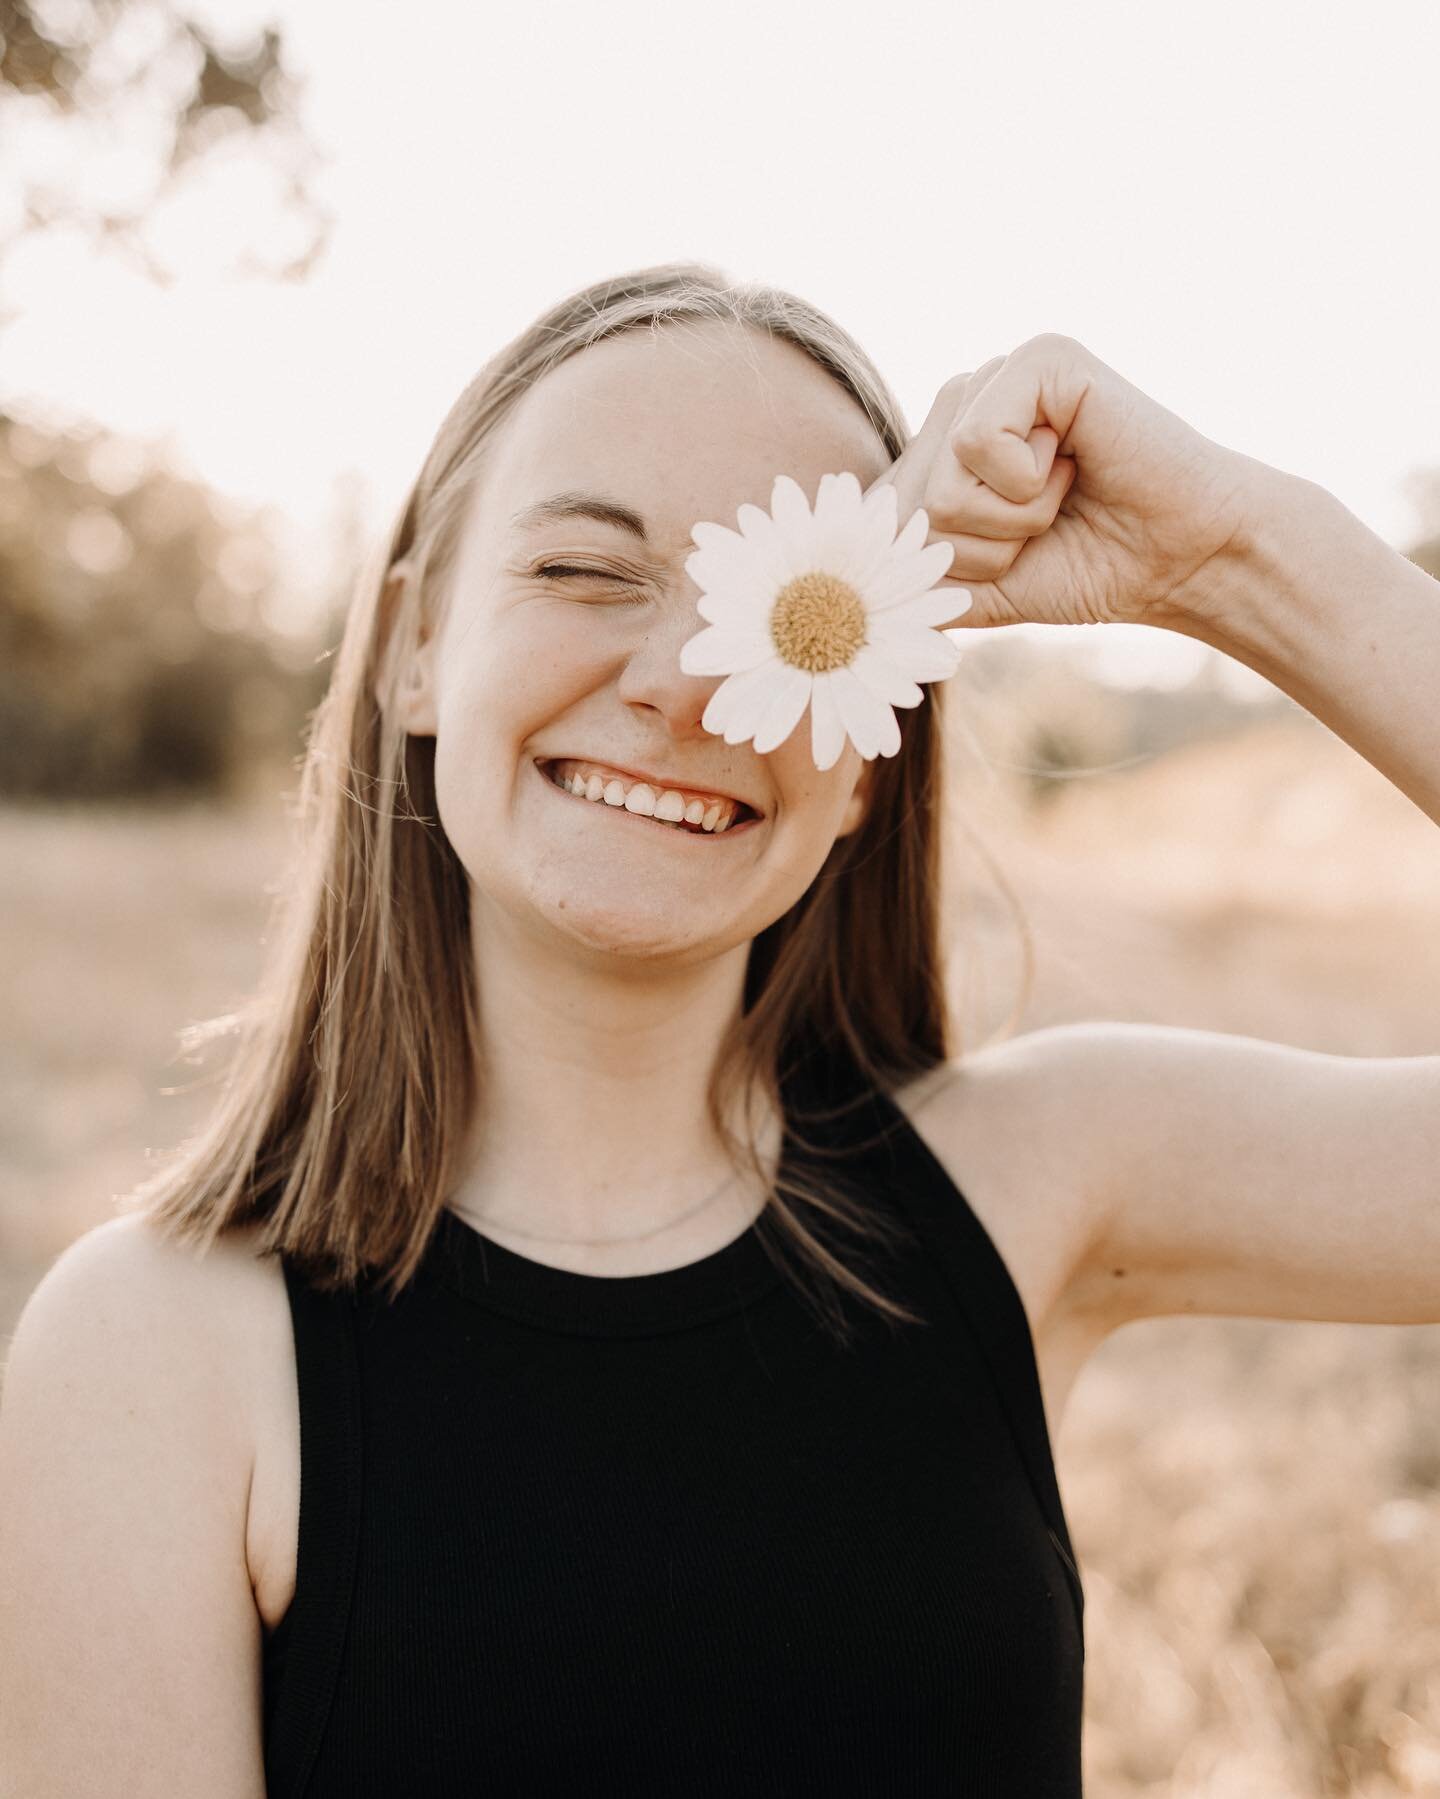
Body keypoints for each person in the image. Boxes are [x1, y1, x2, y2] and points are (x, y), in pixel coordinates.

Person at [1, 260, 1436, 1797]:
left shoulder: (1040, 1187)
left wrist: (1233, 555)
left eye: (796, 621)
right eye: (586, 572)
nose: (688, 684)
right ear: (417, 645)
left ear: (871, 762)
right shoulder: (152, 1354)